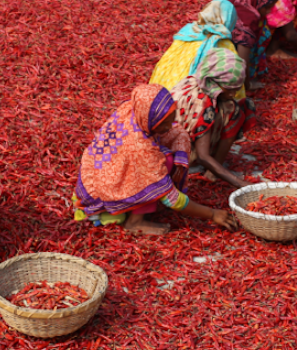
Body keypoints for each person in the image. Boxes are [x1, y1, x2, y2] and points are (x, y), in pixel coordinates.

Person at [74, 84, 238, 236]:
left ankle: (149, 196)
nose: (168, 126)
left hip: (101, 171)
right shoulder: (141, 148)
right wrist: (212, 213)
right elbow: (172, 199)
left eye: (170, 118)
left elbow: (172, 130)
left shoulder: (132, 110)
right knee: (163, 162)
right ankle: (134, 221)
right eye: (163, 123)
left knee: (178, 135)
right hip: (101, 192)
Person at [166, 49, 251, 189]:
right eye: (228, 89)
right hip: (178, 152)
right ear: (214, 82)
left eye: (236, 89)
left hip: (186, 141)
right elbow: (203, 156)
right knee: (232, 110)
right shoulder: (202, 105)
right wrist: (239, 183)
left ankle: (213, 169)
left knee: (238, 108)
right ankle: (207, 169)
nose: (232, 94)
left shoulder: (199, 79)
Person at [150, 0, 244, 104]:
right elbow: (234, 77)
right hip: (190, 101)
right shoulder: (224, 43)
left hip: (159, 94)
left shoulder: (187, 32)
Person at [215, 0, 281, 89]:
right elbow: (242, 60)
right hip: (219, 51)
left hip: (217, 35)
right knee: (263, 34)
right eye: (267, 7)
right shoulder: (247, 22)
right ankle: (245, 76)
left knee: (262, 24)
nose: (269, 11)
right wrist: (247, 84)